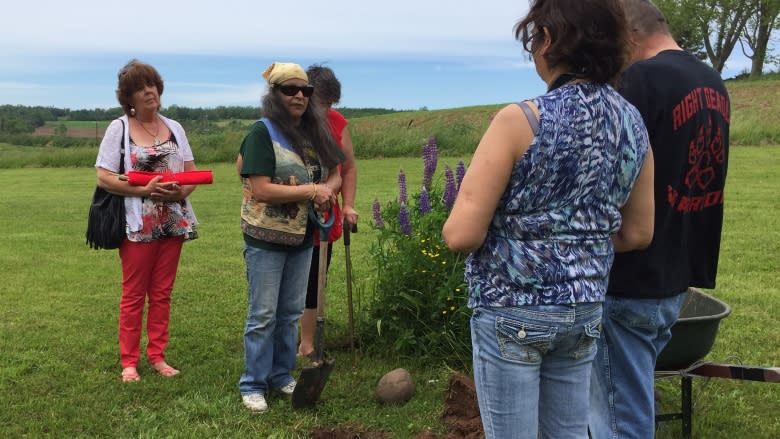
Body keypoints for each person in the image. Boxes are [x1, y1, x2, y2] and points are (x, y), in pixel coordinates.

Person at [442, 0, 655, 437]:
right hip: (584, 309)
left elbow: (462, 234)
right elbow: (638, 232)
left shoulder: (520, 120)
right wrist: (573, 242)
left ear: (550, 40)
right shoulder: (633, 125)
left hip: (511, 309)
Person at [589, 1, 731, 437]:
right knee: (629, 398)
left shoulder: (637, 80)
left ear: (628, 35)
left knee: (619, 416)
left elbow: (607, 175)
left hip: (630, 277)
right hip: (676, 273)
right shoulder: (711, 81)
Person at [236, 62, 343, 413]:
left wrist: (326, 188)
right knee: (263, 314)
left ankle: (281, 376)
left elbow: (335, 174)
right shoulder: (261, 133)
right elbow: (261, 188)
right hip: (267, 239)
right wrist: (313, 189)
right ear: (275, 94)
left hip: (302, 238)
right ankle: (253, 383)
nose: (299, 96)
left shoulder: (315, 133)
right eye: (290, 90)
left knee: (290, 313)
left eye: (305, 91)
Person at [94, 59, 200, 382]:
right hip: (137, 223)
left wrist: (177, 191)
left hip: (173, 220)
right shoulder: (119, 128)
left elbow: (191, 173)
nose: (149, 91)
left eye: (152, 84)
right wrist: (144, 186)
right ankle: (129, 361)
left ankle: (158, 356)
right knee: (134, 293)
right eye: (140, 87)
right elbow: (103, 177)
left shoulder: (175, 128)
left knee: (163, 292)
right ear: (129, 98)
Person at [297, 64, 358, 360]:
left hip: (322, 215)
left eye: (332, 103)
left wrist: (346, 204)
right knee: (288, 279)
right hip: (287, 215)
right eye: (323, 102)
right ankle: (285, 336)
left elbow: (347, 168)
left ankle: (307, 343)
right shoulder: (288, 121)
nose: (328, 109)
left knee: (314, 278)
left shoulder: (337, 123)